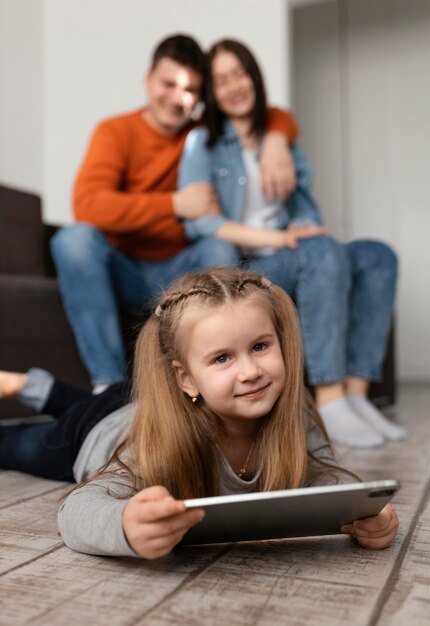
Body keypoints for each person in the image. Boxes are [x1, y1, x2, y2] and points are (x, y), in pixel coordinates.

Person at [0, 268, 399, 559]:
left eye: (260, 346)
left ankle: (38, 387)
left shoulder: (292, 416)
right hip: (93, 430)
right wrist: (123, 524)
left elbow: (327, 474)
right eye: (223, 357)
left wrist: (366, 513)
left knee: (97, 399)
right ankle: (23, 386)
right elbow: (76, 511)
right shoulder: (154, 446)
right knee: (21, 445)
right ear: (186, 378)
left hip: (144, 400)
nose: (250, 371)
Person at [178, 38, 408, 448]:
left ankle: (357, 396)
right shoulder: (203, 144)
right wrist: (281, 238)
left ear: (255, 76)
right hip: (249, 264)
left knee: (377, 255)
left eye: (240, 73)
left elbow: (302, 204)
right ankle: (330, 399)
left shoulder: (279, 134)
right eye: (221, 80)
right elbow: (204, 225)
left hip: (292, 250)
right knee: (320, 252)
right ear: (211, 93)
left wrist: (301, 226)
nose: (233, 86)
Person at [50, 34, 298, 393]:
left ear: (201, 98)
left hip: (182, 266)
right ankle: (108, 386)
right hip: (124, 268)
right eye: (169, 84)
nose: (177, 97)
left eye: (191, 90)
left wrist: (276, 140)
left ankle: (218, 376)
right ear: (148, 79)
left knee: (217, 247)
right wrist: (175, 204)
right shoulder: (115, 131)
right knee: (73, 239)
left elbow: (275, 115)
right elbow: (88, 205)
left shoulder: (200, 137)